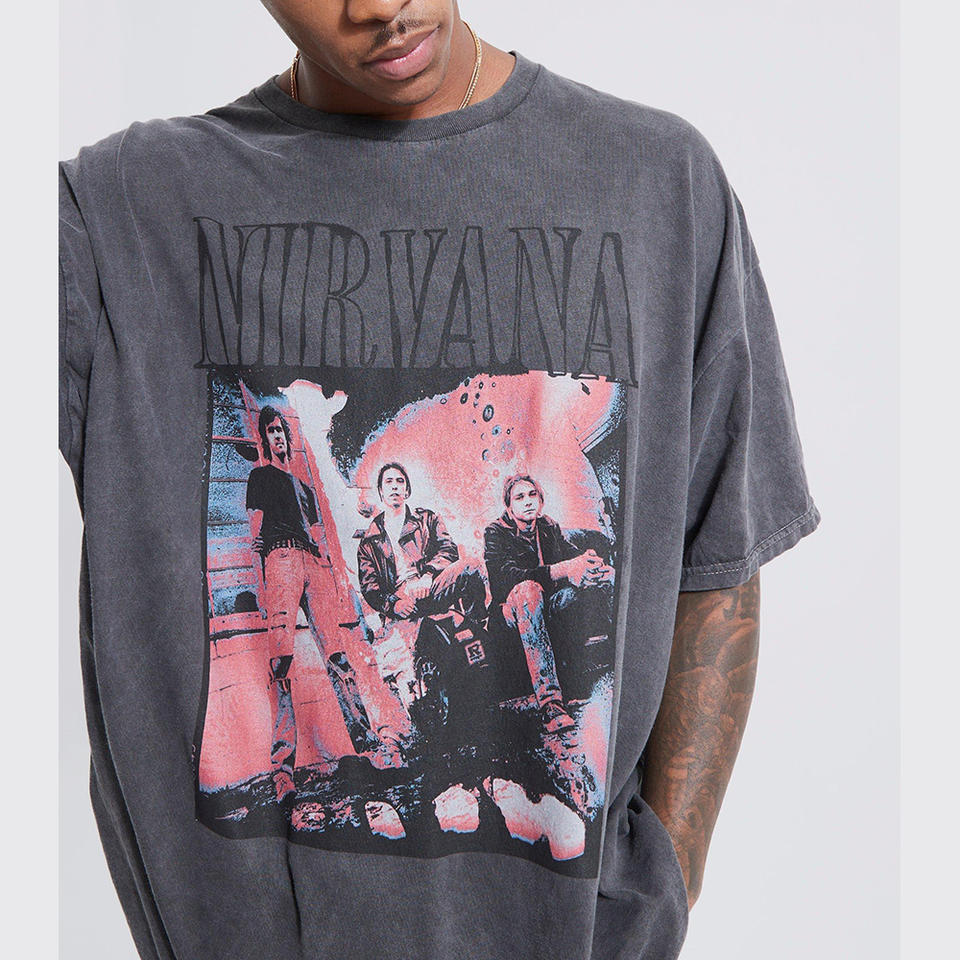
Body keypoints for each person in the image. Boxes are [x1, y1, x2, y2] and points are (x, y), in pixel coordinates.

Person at [59, 3, 819, 958]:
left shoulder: (658, 182)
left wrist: (668, 878)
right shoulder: (118, 213)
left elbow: (717, 557)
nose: (381, 4)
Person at [246, 406, 405, 800]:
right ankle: (283, 772)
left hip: (311, 563)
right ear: (264, 438)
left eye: (282, 430)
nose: (278, 436)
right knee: (281, 662)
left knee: (338, 657)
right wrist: (262, 586)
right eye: (271, 431)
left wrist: (328, 576)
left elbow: (318, 535)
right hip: (280, 560)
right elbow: (255, 534)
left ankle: (368, 748)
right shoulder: (260, 477)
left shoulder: (303, 486)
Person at [484, 473, 615, 734]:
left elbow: (569, 555)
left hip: (548, 604)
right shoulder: (496, 532)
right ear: (509, 506)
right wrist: (564, 569)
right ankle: (551, 703)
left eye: (532, 495)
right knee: (528, 590)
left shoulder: (547, 526)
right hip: (511, 611)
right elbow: (505, 579)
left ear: (541, 500)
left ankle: (623, 667)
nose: (528, 501)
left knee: (606, 575)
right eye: (519, 497)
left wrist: (590, 563)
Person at [357, 461, 486, 623]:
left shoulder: (427, 519)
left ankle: (477, 627)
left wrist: (428, 574)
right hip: (401, 600)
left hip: (430, 589)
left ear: (407, 490)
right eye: (389, 481)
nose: (395, 486)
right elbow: (370, 588)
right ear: (381, 491)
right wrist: (394, 604)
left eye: (400, 481)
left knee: (470, 567)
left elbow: (448, 549)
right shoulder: (369, 541)